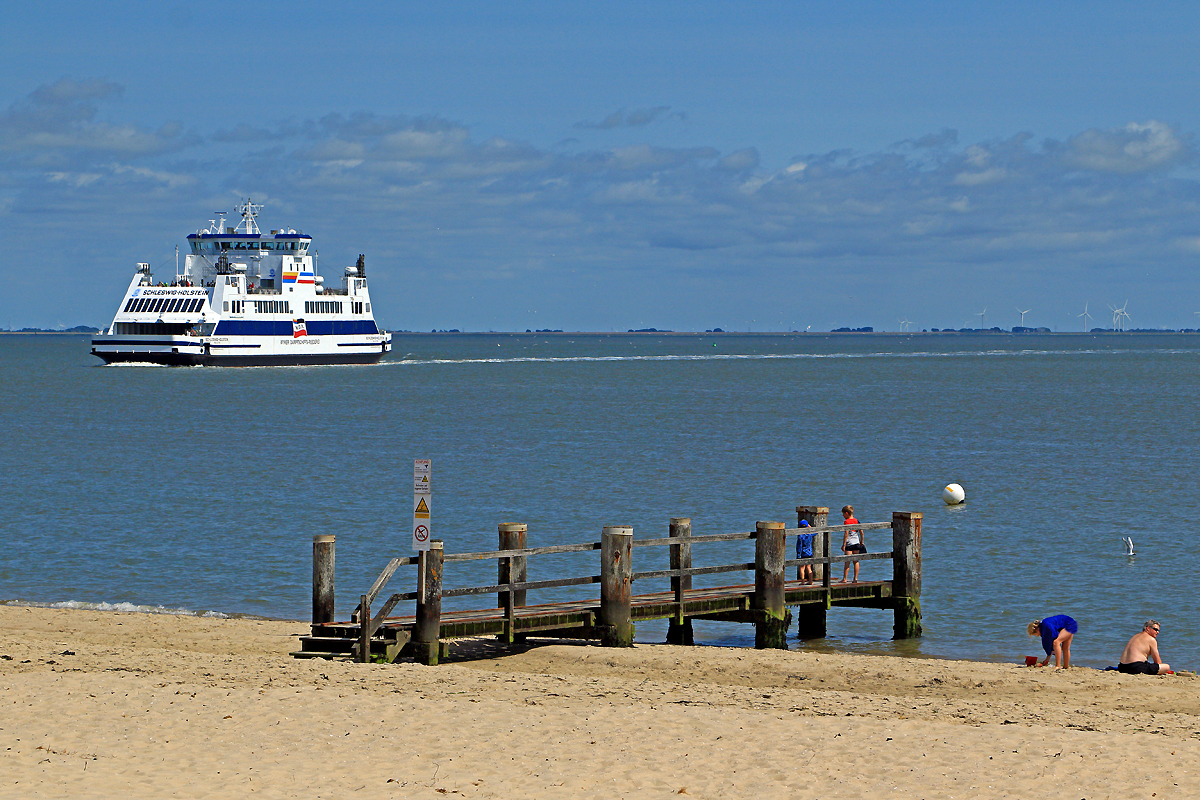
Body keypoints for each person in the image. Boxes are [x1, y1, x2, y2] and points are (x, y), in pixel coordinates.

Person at [840, 505, 865, 583]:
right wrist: (861, 541)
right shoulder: (857, 521)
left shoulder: (846, 522)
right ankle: (855, 579)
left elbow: (846, 533)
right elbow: (861, 532)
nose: (843, 515)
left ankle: (845, 579)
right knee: (856, 561)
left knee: (847, 561)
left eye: (843, 514)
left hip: (849, 543)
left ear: (847, 513)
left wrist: (844, 544)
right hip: (856, 542)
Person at [795, 519, 815, 584]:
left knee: (802, 567)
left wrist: (798, 555)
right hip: (809, 553)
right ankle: (811, 581)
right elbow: (816, 532)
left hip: (803, 553)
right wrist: (810, 527)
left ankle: (803, 581)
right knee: (809, 567)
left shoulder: (800, 536)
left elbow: (799, 546)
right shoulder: (809, 534)